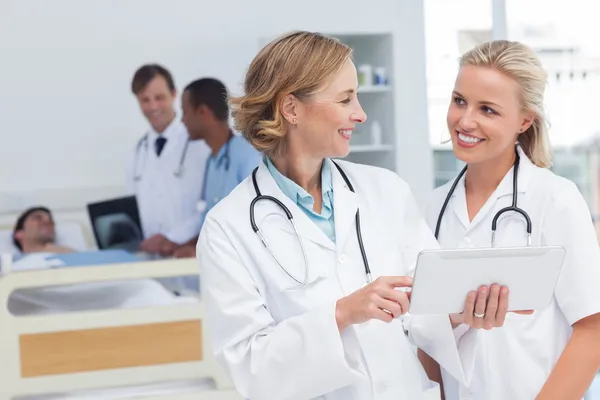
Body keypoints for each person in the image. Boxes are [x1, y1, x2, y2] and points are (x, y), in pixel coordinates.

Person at [196, 31, 506, 400]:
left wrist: (462, 314)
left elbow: (425, 307)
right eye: (345, 99)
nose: (360, 114)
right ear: (291, 108)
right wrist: (342, 313)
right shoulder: (227, 228)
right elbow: (251, 367)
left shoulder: (385, 191)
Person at [425, 40, 600, 399]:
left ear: (524, 121)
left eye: (487, 109)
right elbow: (426, 336)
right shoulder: (434, 208)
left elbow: (593, 328)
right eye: (459, 100)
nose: (465, 120)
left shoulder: (555, 199)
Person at [126, 64, 211, 257]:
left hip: (189, 254)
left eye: (159, 98)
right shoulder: (135, 153)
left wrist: (173, 238)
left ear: (174, 94)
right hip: (151, 260)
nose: (153, 107)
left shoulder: (199, 145)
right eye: (145, 100)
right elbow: (134, 213)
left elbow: (210, 206)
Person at [173, 77, 260, 259]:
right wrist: (180, 246)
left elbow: (256, 220)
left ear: (203, 112)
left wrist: (199, 249)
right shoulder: (211, 162)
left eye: (185, 112)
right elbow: (211, 224)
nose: (183, 121)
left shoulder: (247, 154)